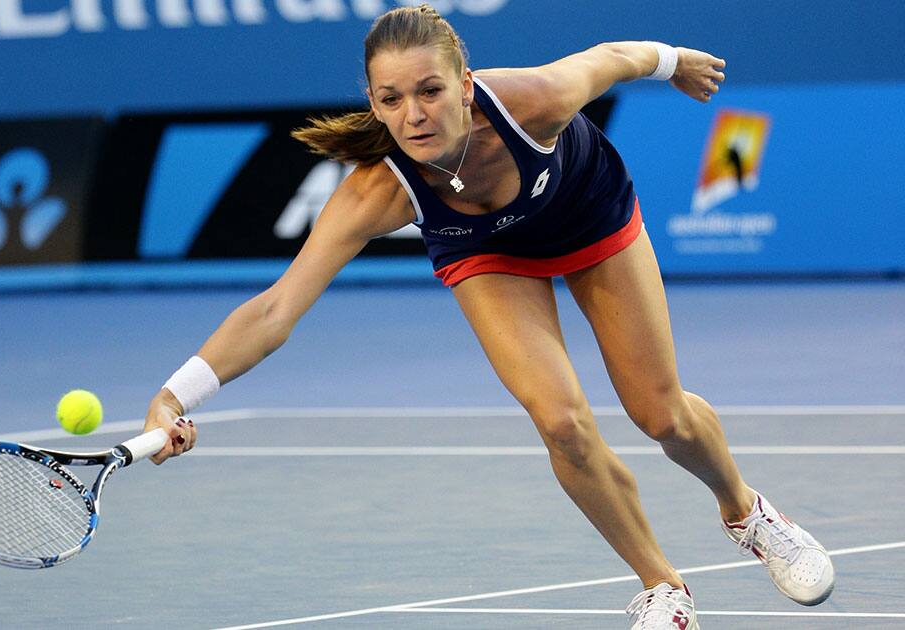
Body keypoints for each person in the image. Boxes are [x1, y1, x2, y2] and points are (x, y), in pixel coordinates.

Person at [144, 5, 834, 628]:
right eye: (392, 99)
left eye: (429, 91)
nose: (413, 114)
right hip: (486, 252)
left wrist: (675, 60)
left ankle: (747, 513)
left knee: (662, 416)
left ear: (465, 84)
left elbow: (614, 58)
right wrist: (175, 394)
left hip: (589, 214)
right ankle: (663, 587)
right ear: (374, 105)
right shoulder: (376, 192)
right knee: (562, 424)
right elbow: (275, 309)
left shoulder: (534, 102)